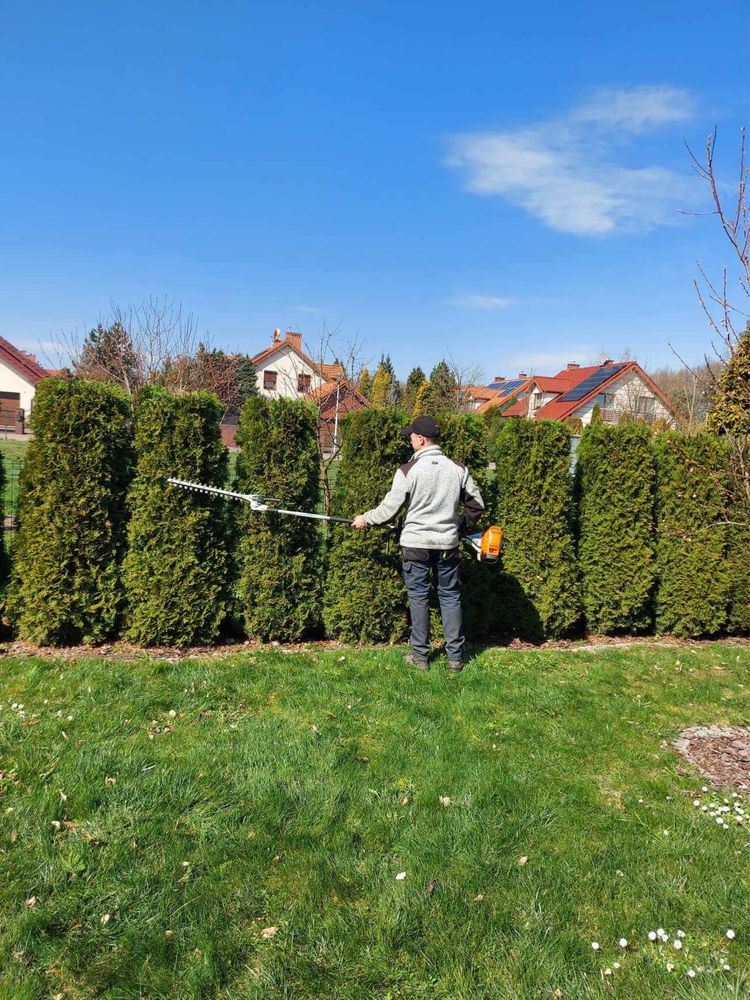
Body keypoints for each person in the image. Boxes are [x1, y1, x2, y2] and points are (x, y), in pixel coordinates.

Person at [351, 415, 484, 672]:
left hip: (415, 546)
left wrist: (365, 519)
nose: (409, 440)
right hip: (447, 545)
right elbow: (476, 506)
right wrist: (458, 527)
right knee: (450, 597)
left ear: (421, 440)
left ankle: (420, 658)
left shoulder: (408, 470)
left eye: (411, 437)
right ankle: (455, 658)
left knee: (419, 598)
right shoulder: (458, 469)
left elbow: (389, 509)